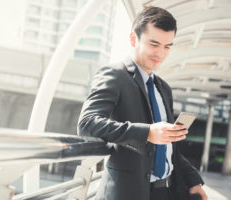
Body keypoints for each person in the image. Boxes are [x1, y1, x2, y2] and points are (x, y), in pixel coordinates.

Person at [77, 6, 208, 200]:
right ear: (133, 39)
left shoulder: (164, 88)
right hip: (128, 192)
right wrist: (147, 133)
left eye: (167, 47)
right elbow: (87, 123)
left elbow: (169, 148)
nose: (161, 53)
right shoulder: (115, 75)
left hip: (165, 191)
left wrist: (193, 180)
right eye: (154, 44)